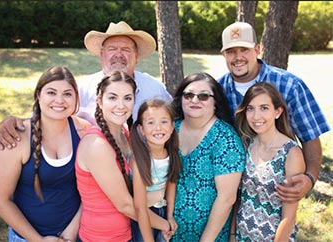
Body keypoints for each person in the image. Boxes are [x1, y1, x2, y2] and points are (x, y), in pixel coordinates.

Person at [0, 21, 172, 149]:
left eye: (125, 49)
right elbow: (47, 116)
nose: (119, 55)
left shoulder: (154, 89)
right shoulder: (82, 88)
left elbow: (177, 120)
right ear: (101, 54)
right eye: (112, 49)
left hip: (147, 174)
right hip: (95, 171)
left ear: (136, 55)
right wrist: (16, 123)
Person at [218, 21, 330, 202]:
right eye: (231, 51)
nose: (238, 57)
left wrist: (309, 178)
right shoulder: (217, 90)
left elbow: (310, 136)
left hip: (275, 190)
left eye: (244, 50)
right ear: (223, 54)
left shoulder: (289, 85)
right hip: (231, 188)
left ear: (257, 49)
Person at [0, 66, 91, 242]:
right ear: (38, 95)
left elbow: (92, 190)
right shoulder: (15, 138)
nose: (59, 100)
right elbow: (0, 201)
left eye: (67, 94)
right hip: (27, 238)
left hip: (76, 234)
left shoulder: (84, 132)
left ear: (76, 99)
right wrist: (39, 240)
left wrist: (70, 233)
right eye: (51, 92)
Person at [75, 71, 171, 241]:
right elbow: (125, 205)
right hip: (103, 237)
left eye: (127, 98)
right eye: (112, 98)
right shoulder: (96, 145)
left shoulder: (124, 133)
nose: (121, 105)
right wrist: (165, 225)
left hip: (127, 231)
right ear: (99, 101)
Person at [170, 72, 246, 241]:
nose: (195, 100)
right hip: (167, 232)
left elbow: (226, 198)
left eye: (204, 96)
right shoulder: (169, 130)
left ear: (215, 103)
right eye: (188, 95)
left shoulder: (225, 138)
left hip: (208, 236)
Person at [232, 82, 305, 241]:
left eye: (264, 108)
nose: (256, 116)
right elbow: (240, 198)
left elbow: (289, 217)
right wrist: (232, 235)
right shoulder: (248, 144)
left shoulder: (291, 153)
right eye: (250, 108)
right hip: (241, 237)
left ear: (278, 112)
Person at [130, 98, 182, 241]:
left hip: (163, 210)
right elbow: (140, 207)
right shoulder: (140, 159)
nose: (158, 128)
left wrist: (170, 215)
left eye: (164, 122)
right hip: (145, 215)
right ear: (141, 129)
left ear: (172, 127)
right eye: (151, 122)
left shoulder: (171, 155)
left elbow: (171, 184)